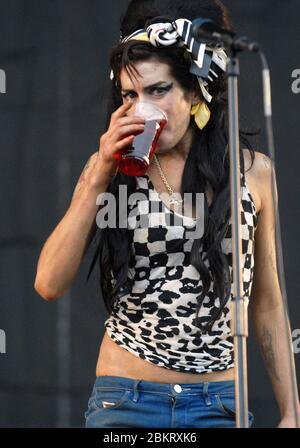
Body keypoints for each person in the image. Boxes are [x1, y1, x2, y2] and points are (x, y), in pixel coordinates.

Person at [34, 0, 300, 428]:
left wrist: (291, 412)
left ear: (195, 91)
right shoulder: (108, 169)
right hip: (127, 401)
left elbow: (267, 300)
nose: (144, 109)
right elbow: (48, 282)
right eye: (130, 95)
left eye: (158, 90)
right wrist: (99, 174)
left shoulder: (255, 173)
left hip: (221, 405)